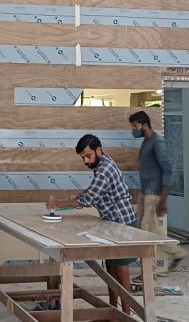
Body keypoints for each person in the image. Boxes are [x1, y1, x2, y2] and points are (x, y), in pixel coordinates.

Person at [46, 134, 137, 314]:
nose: (86, 161)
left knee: (121, 270)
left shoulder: (104, 169)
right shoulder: (102, 164)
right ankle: (113, 311)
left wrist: (58, 204)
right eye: (83, 158)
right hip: (112, 223)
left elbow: (88, 199)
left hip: (123, 223)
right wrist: (72, 200)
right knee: (111, 268)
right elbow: (92, 193)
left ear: (98, 150)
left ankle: (126, 315)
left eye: (88, 156)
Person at [129, 111, 188, 272]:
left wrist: (163, 199)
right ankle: (177, 253)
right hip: (145, 192)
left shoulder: (157, 143)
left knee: (147, 234)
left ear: (145, 125)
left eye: (135, 126)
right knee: (148, 232)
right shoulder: (146, 142)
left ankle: (150, 273)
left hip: (153, 195)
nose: (133, 130)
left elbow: (168, 171)